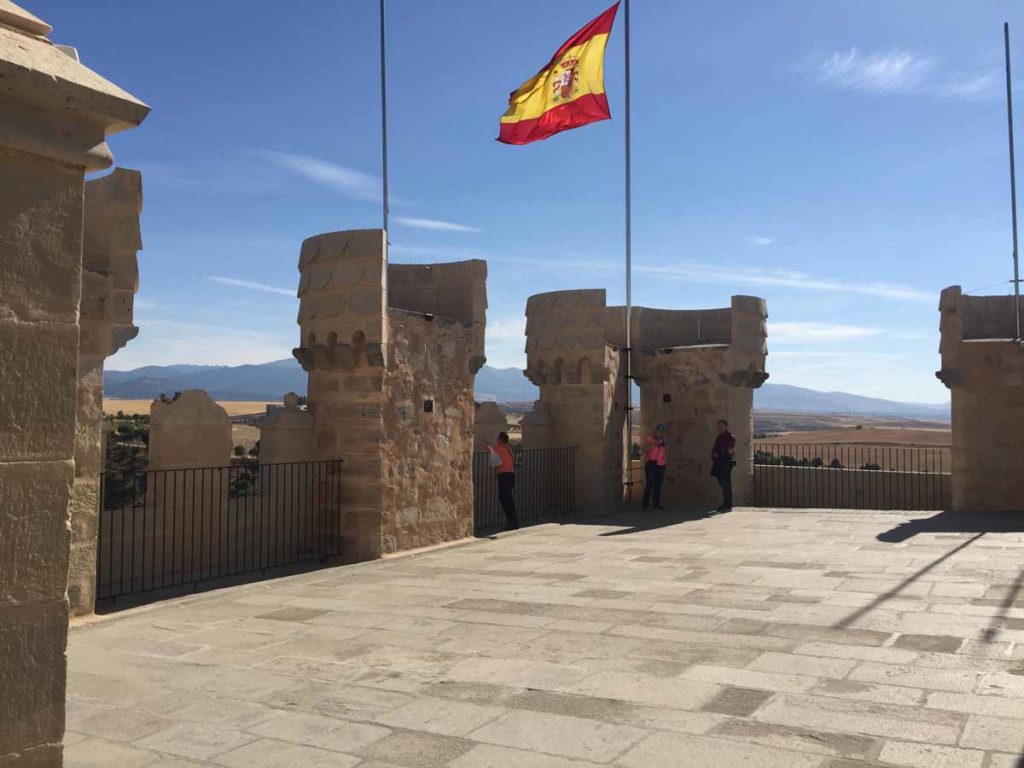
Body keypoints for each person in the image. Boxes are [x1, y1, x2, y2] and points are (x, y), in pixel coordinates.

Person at [490, 432, 520, 530]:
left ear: (501, 440)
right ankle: (513, 521)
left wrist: (484, 442)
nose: (497, 440)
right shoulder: (509, 448)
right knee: (507, 497)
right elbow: (514, 460)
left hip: (504, 475)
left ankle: (512, 521)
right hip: (511, 474)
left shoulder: (498, 448)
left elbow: (488, 448)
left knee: (504, 498)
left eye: (498, 438)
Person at [711, 419, 736, 512]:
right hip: (719, 463)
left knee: (726, 484)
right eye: (718, 426)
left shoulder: (730, 437)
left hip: (726, 463)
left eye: (721, 426)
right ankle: (725, 503)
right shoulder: (719, 437)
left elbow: (730, 451)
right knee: (723, 483)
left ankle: (728, 505)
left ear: (726, 427)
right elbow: (715, 448)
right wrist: (714, 454)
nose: (719, 428)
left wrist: (720, 454)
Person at [642, 424, 668, 511]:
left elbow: (666, 451)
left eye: (663, 431)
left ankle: (656, 504)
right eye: (660, 430)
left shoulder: (663, 440)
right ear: (656, 430)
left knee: (658, 485)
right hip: (651, 464)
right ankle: (645, 504)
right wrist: (654, 444)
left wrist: (664, 444)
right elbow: (645, 449)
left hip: (661, 464)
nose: (661, 432)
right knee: (650, 484)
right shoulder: (650, 438)